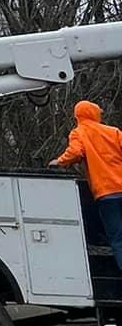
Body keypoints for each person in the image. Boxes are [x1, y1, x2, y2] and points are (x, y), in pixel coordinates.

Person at [50, 99, 122, 271]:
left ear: (77, 116)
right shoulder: (113, 132)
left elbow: (75, 152)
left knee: (118, 238)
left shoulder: (79, 133)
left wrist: (59, 162)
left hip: (107, 194)